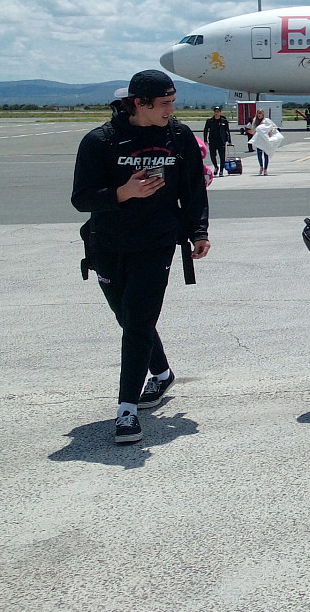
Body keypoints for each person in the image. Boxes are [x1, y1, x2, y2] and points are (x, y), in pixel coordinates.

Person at [71, 70, 211, 444]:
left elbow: (194, 190)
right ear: (139, 103)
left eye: (173, 101)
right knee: (128, 317)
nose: (172, 108)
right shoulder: (101, 141)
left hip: (157, 242)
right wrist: (124, 192)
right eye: (164, 103)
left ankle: (126, 411)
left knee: (138, 322)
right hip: (108, 245)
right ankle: (162, 374)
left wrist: (199, 230)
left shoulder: (178, 136)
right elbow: (81, 198)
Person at [203, 106, 230, 176]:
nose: (216, 113)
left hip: (221, 141)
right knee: (212, 155)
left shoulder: (224, 121)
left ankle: (221, 170)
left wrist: (229, 140)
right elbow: (205, 130)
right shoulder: (210, 121)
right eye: (215, 111)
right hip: (212, 141)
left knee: (222, 156)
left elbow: (227, 131)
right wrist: (205, 140)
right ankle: (216, 166)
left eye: (218, 112)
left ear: (220, 112)